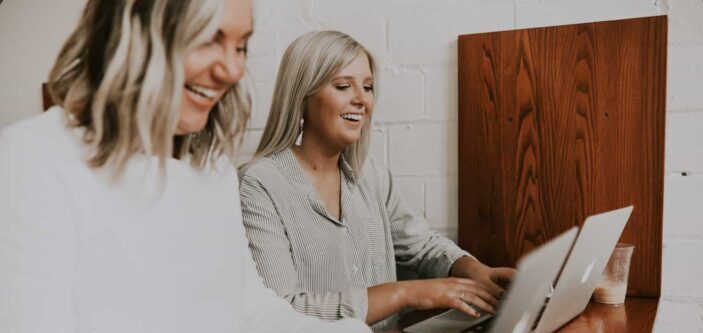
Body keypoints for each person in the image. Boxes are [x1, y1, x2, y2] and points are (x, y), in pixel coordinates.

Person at [0, 2, 370, 333]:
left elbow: (254, 313)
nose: (230, 69)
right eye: (209, 38)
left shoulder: (212, 169)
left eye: (240, 47)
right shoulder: (34, 158)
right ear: (138, 33)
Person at [239, 30, 516, 329]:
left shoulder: (371, 176)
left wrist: (473, 269)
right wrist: (404, 294)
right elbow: (284, 310)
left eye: (368, 87)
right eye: (344, 86)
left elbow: (421, 247)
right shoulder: (258, 185)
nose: (362, 100)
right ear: (303, 96)